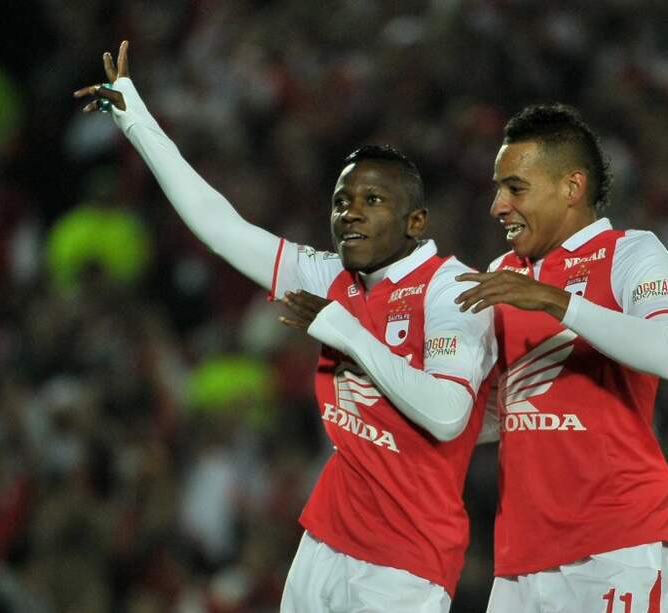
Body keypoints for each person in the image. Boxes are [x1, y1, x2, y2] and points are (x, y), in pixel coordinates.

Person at [74, 41, 497, 612]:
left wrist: (345, 331)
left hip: (406, 562)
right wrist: (136, 121)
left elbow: (448, 416)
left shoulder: (452, 291)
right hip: (325, 541)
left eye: (373, 199)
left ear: (415, 220)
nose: (350, 212)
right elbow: (221, 227)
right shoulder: (329, 277)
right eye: (341, 200)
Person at [455, 103, 668, 613]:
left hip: (616, 542)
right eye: (498, 189)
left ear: (571, 187)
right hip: (520, 552)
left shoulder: (630, 251)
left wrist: (555, 301)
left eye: (515, 188)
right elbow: (505, 410)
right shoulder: (503, 272)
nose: (498, 206)